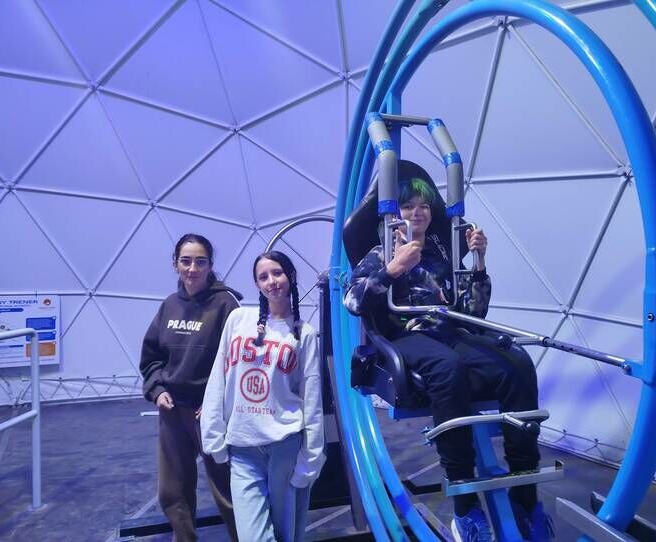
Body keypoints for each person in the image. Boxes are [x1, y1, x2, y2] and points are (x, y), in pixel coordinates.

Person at [344, 172, 553, 542]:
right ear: (393, 215)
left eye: (424, 206)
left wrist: (479, 262)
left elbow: (473, 313)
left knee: (516, 362)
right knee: (446, 366)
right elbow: (353, 300)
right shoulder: (380, 253)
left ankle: (525, 496)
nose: (418, 212)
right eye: (408, 206)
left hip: (448, 333)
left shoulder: (442, 255)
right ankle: (465, 506)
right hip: (404, 335)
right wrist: (394, 268)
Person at [200, 250, 325, 542]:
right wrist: (213, 436)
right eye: (263, 276)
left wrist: (311, 458)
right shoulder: (238, 319)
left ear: (290, 276)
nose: (271, 281)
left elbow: (311, 398)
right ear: (257, 284)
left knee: (287, 534)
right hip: (243, 448)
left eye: (277, 273)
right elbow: (219, 377)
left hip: (285, 446)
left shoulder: (303, 333)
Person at [140, 233, 242, 542]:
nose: (192, 268)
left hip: (210, 413)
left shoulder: (226, 304)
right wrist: (158, 390)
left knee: (227, 488)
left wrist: (216, 402)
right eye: (186, 261)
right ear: (175, 264)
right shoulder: (169, 306)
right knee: (173, 491)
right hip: (173, 411)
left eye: (200, 261)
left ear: (210, 265)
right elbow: (151, 357)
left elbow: (237, 362)